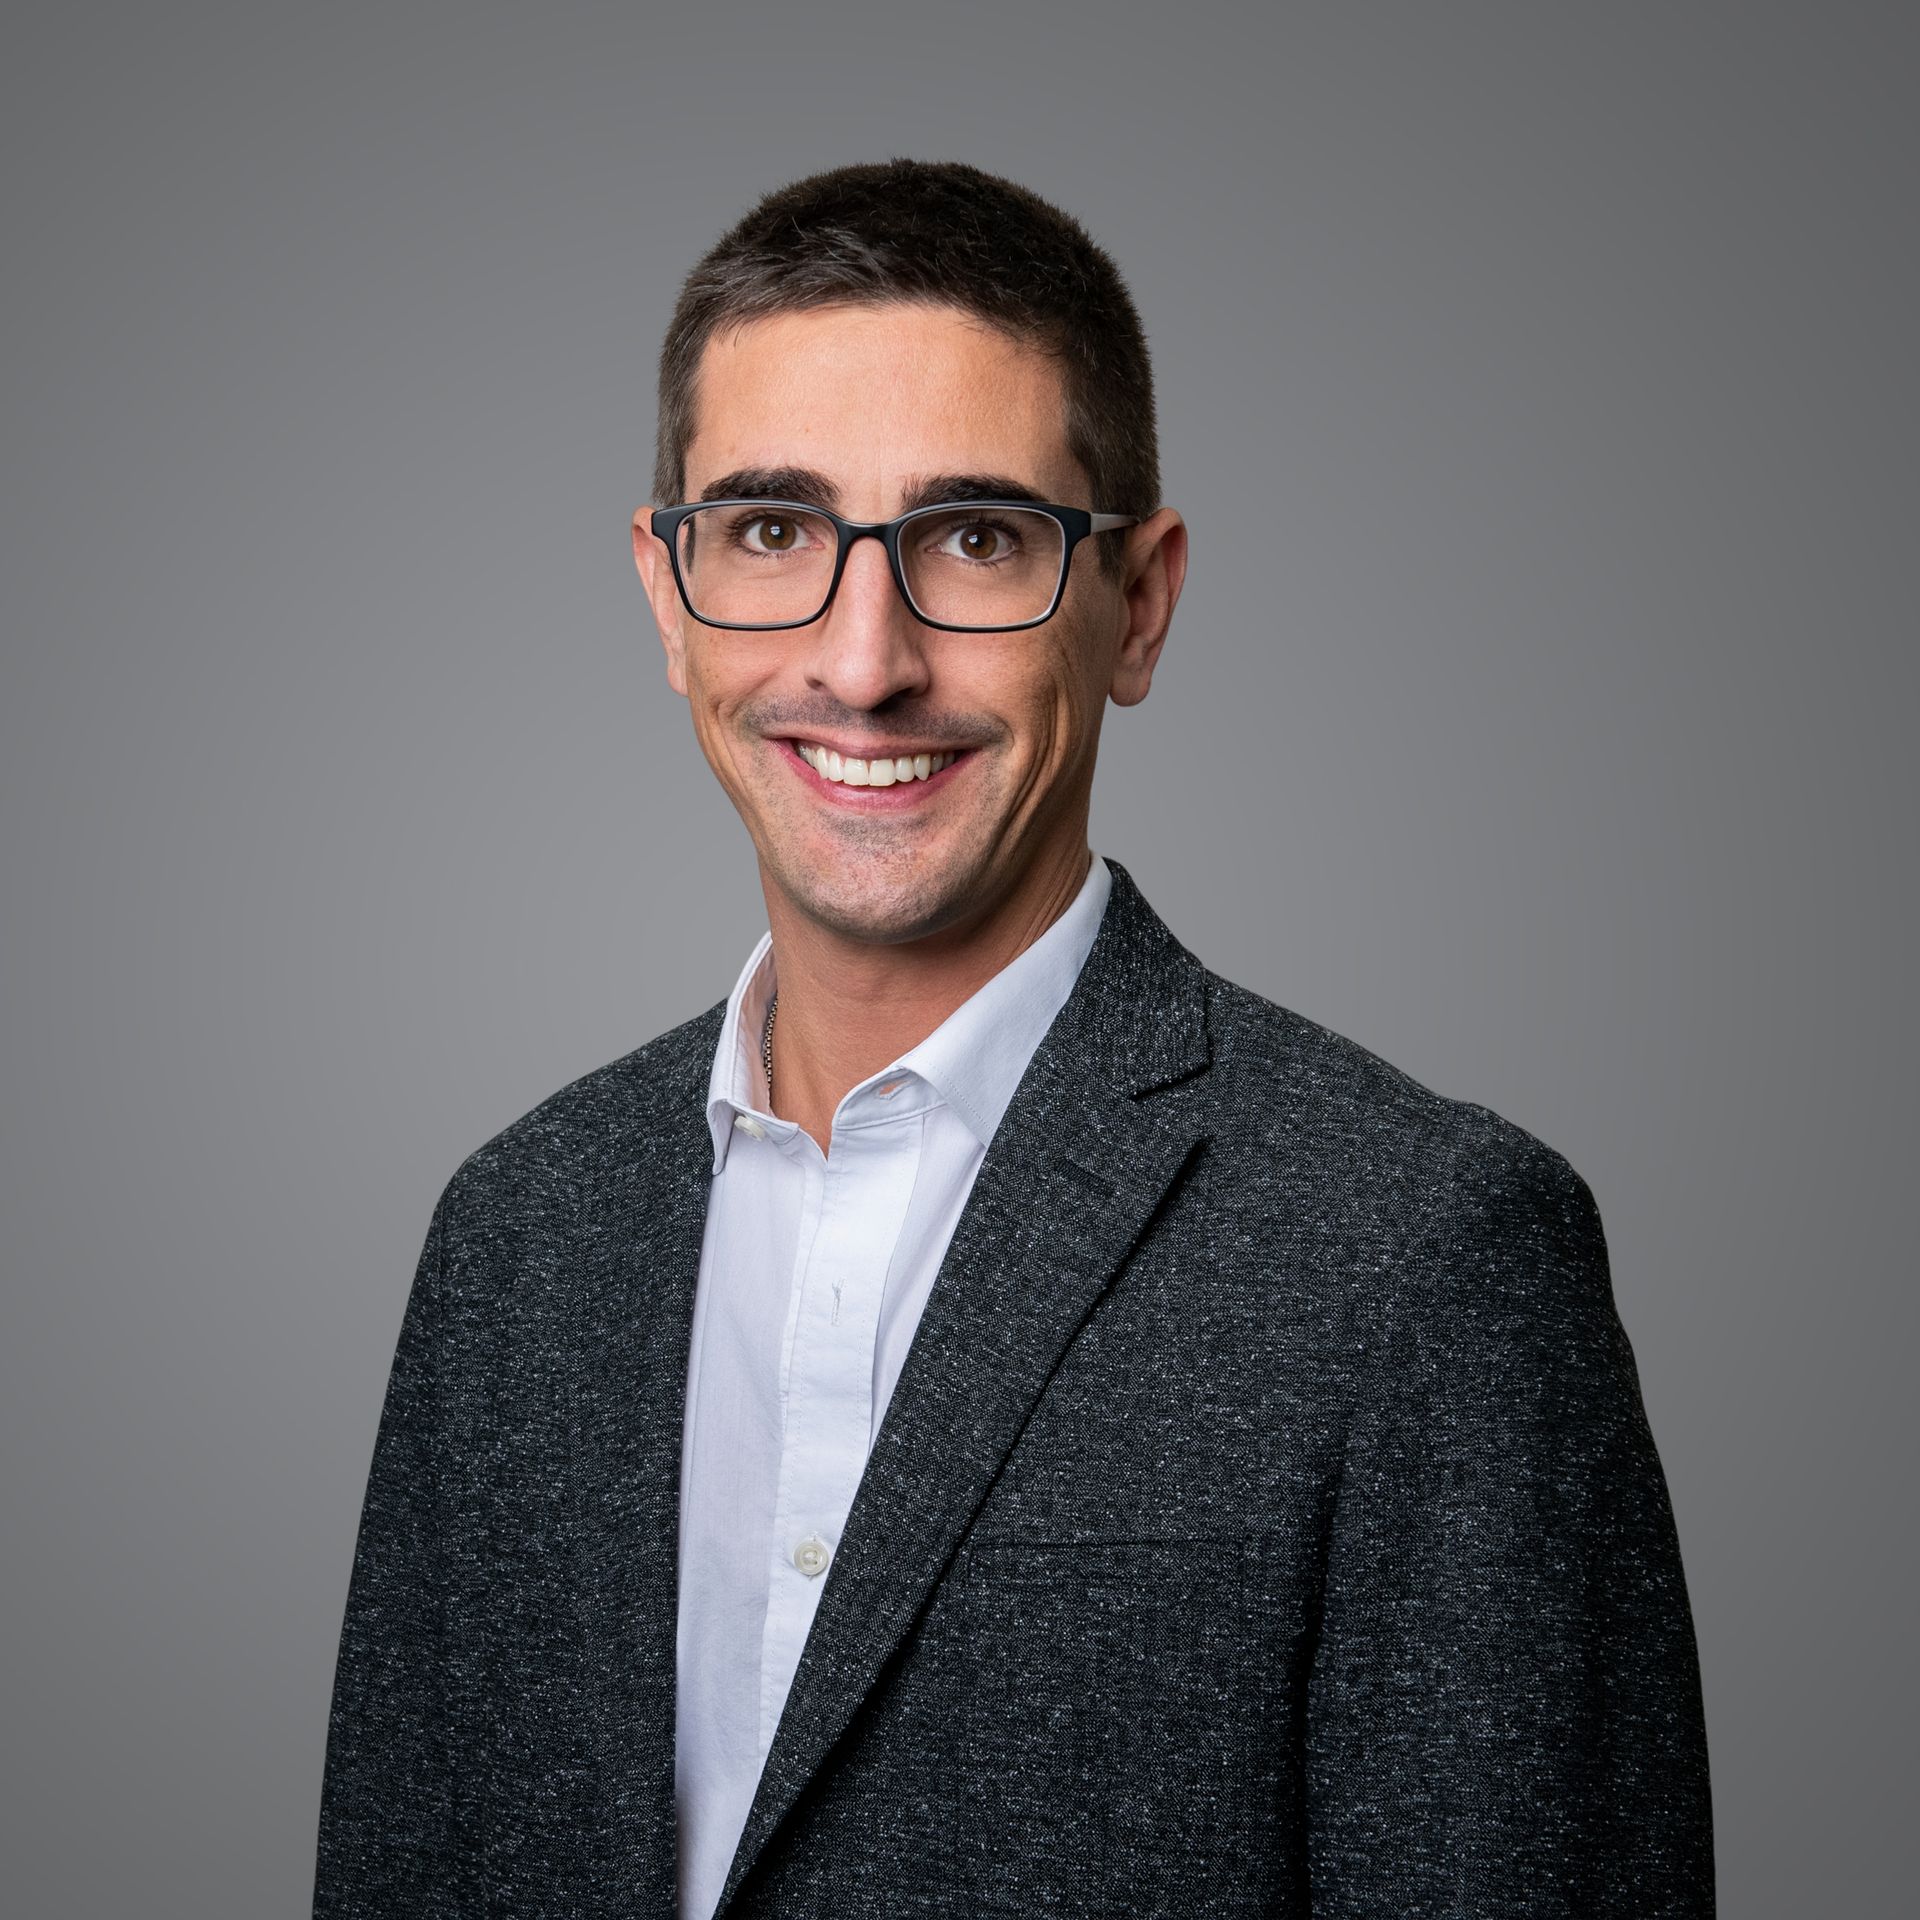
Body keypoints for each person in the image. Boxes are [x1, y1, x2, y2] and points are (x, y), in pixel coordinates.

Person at [314, 159, 1713, 1918]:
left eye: (976, 538)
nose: (864, 657)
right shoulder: (515, 1239)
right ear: (668, 602)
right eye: (770, 531)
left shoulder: (1424, 1258)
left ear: (1139, 604)